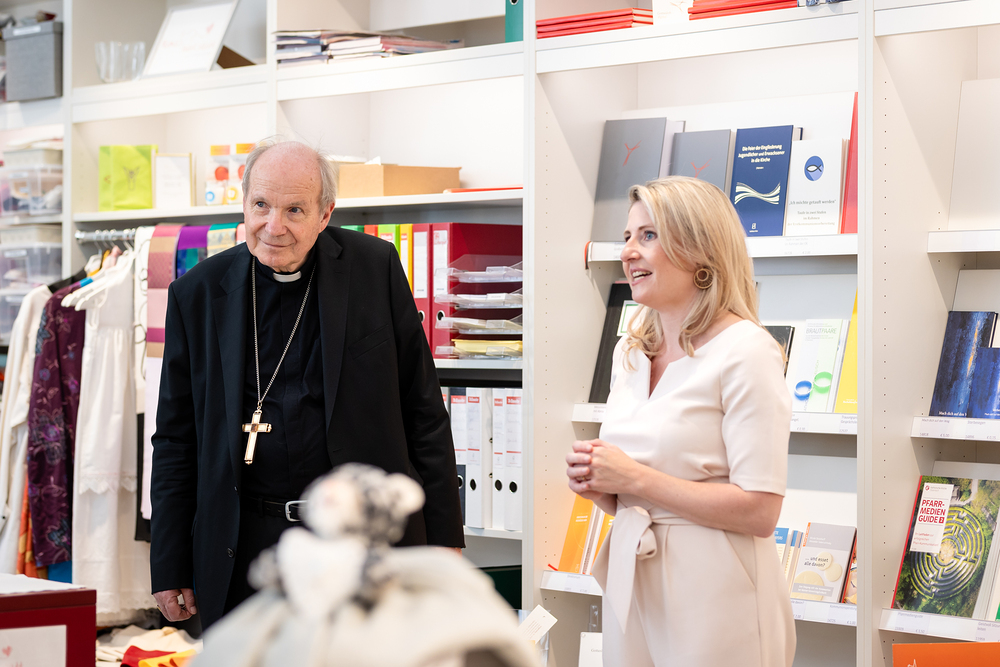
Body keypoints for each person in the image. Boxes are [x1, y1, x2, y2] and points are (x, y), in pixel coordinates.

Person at [150, 139, 464, 630]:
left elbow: (422, 410)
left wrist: (445, 538)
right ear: (244, 202)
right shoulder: (197, 293)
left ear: (325, 214)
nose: (274, 226)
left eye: (294, 209)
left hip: (361, 547)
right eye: (261, 205)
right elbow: (175, 438)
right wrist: (169, 562)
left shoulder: (375, 269)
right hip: (242, 549)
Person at [566, 177, 795, 667]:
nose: (628, 251)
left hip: (717, 591)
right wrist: (602, 486)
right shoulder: (630, 352)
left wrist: (633, 478)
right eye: (627, 236)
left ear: (701, 252)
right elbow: (641, 488)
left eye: (648, 235)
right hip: (634, 578)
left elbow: (760, 511)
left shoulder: (747, 351)